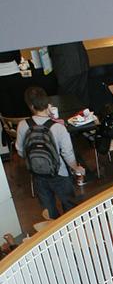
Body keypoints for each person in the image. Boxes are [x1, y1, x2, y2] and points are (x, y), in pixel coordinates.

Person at [15, 86, 84, 220]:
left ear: (30, 105)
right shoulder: (58, 127)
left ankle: (54, 233)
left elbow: (20, 151)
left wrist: (35, 161)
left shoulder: (23, 125)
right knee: (69, 207)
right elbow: (67, 153)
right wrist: (76, 168)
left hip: (38, 175)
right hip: (60, 173)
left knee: (49, 210)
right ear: (47, 102)